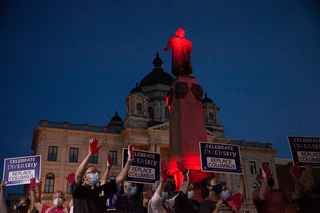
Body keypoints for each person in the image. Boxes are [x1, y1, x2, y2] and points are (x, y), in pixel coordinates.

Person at [71, 137, 134, 213]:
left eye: (97, 172)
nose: (96, 174)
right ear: (85, 176)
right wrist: (90, 154)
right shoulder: (79, 190)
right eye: (93, 172)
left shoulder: (101, 190)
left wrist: (129, 161)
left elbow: (119, 179)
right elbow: (78, 176)